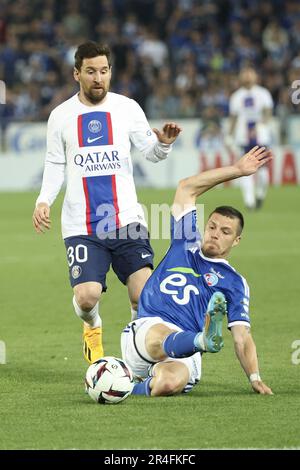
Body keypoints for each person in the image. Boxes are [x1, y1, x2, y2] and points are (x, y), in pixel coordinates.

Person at [32, 41, 181, 364]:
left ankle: (135, 353)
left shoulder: (127, 108)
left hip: (126, 218)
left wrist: (164, 145)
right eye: (90, 72)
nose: (98, 78)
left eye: (103, 71)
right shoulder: (61, 116)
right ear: (76, 74)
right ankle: (93, 327)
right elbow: (55, 164)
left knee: (142, 294)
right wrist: (44, 200)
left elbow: (151, 153)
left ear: (110, 72)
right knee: (87, 298)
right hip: (82, 223)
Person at [121, 146, 273, 397]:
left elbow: (242, 336)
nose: (215, 233)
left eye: (225, 232)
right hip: (147, 330)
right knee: (161, 336)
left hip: (184, 354)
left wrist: (254, 377)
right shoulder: (185, 242)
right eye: (212, 226)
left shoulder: (235, 283)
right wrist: (237, 170)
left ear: (236, 241)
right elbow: (186, 188)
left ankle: (122, 387)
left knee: (168, 384)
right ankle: (202, 341)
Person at [227, 67, 274, 210]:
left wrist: (261, 125)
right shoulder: (236, 96)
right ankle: (249, 202)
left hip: (261, 137)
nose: (247, 76)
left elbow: (268, 112)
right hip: (243, 138)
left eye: (250, 73)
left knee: (263, 172)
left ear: (255, 76)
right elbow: (233, 118)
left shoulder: (263, 93)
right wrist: (229, 135)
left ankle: (260, 194)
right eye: (244, 74)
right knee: (244, 169)